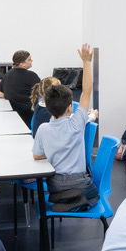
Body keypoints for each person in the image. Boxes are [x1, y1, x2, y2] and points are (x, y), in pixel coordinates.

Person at [33, 45, 98, 212]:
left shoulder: (43, 129)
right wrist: (86, 62)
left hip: (55, 185)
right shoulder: (76, 124)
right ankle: (78, 201)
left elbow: (37, 156)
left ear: (46, 106)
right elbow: (86, 92)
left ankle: (70, 200)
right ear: (70, 107)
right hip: (79, 182)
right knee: (93, 192)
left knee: (61, 191)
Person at [0, 50, 41, 125]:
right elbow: (42, 93)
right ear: (22, 63)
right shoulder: (31, 76)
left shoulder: (7, 74)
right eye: (29, 59)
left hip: (11, 116)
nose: (32, 60)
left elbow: (0, 94)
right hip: (29, 115)